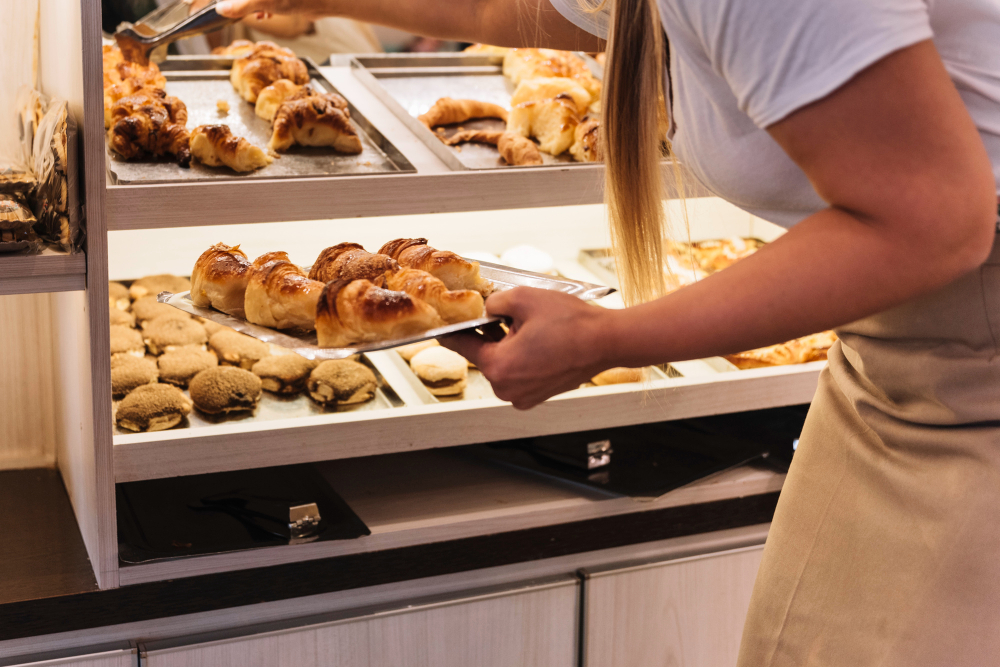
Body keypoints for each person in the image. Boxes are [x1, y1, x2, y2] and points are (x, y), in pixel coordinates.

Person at [216, 0, 1000, 663]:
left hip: (973, 368)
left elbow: (931, 224)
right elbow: (521, 9)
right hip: (896, 358)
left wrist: (607, 338)